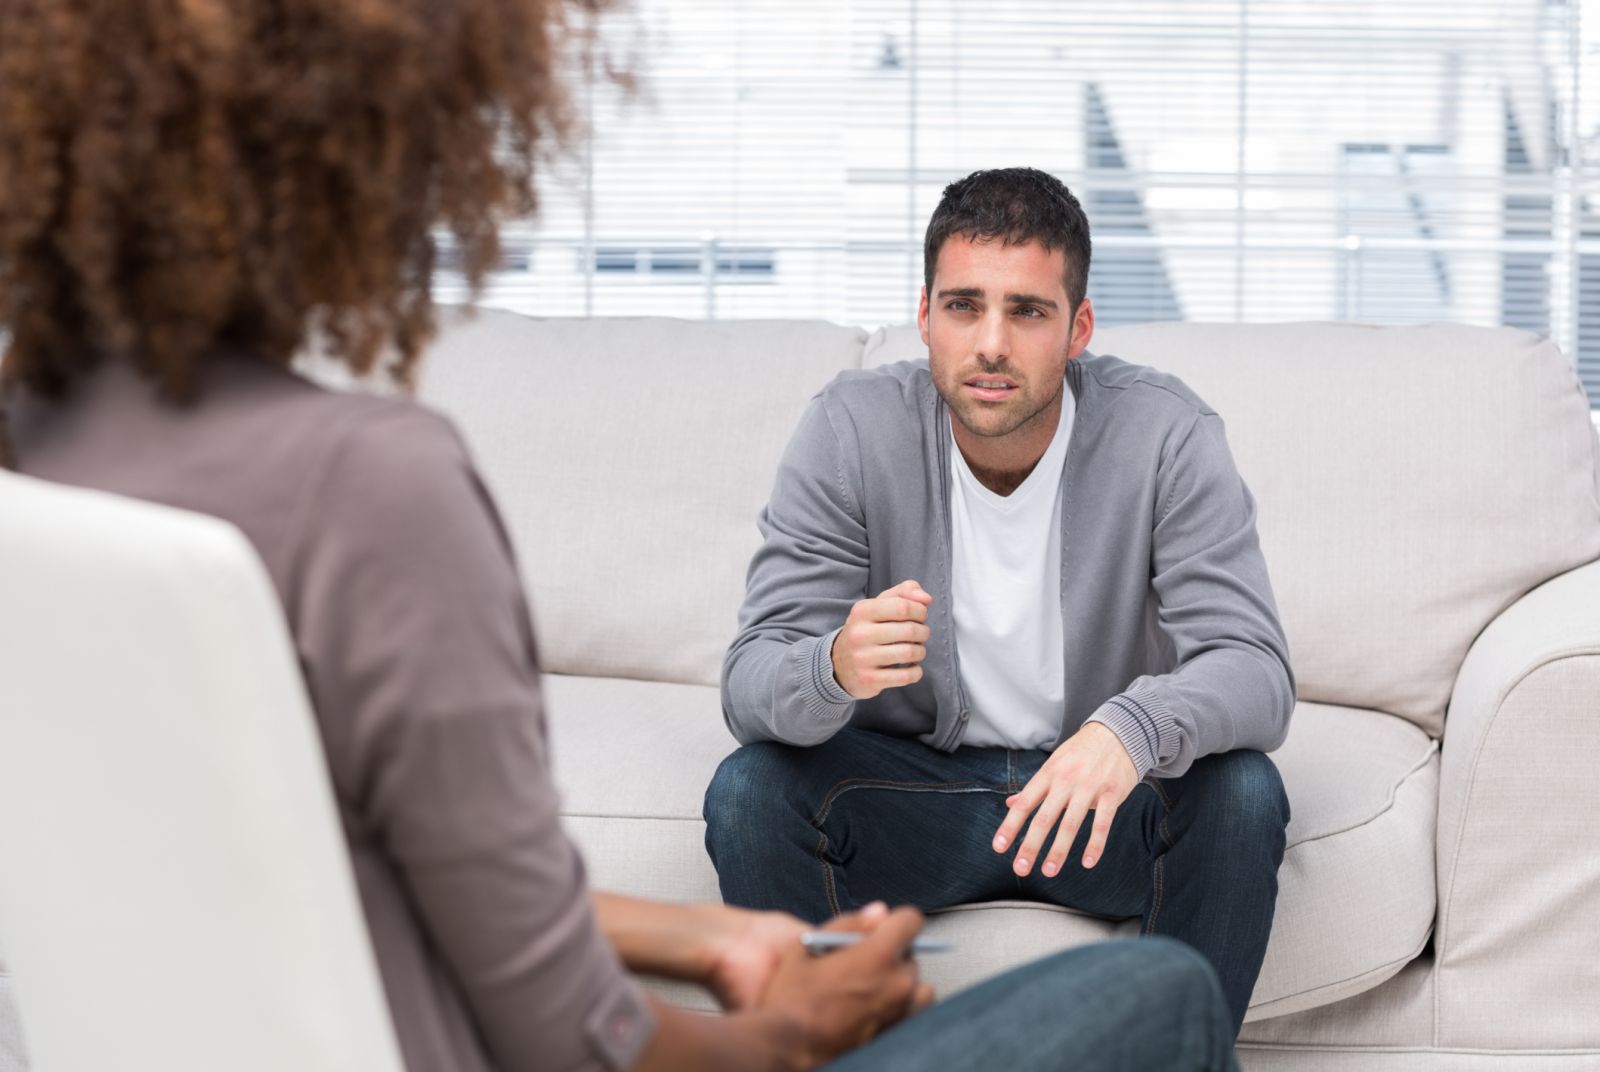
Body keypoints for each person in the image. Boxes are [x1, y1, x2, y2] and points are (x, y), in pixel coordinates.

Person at [0, 4, 1239, 1070]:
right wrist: (785, 1033)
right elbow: (582, 1037)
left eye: (1025, 312)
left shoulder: (34, 450)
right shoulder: (373, 487)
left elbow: (401, 886)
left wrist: (704, 938)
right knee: (1163, 995)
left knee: (1233, 807)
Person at [706, 166, 1296, 1035]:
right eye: (963, 306)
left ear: (1077, 328)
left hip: (1092, 802)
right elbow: (751, 676)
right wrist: (829, 668)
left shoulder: (1166, 434)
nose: (990, 343)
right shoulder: (851, 427)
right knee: (751, 792)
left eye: (1026, 311)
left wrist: (1131, 730)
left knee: (1244, 793)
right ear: (924, 316)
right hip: (916, 801)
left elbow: (1255, 669)